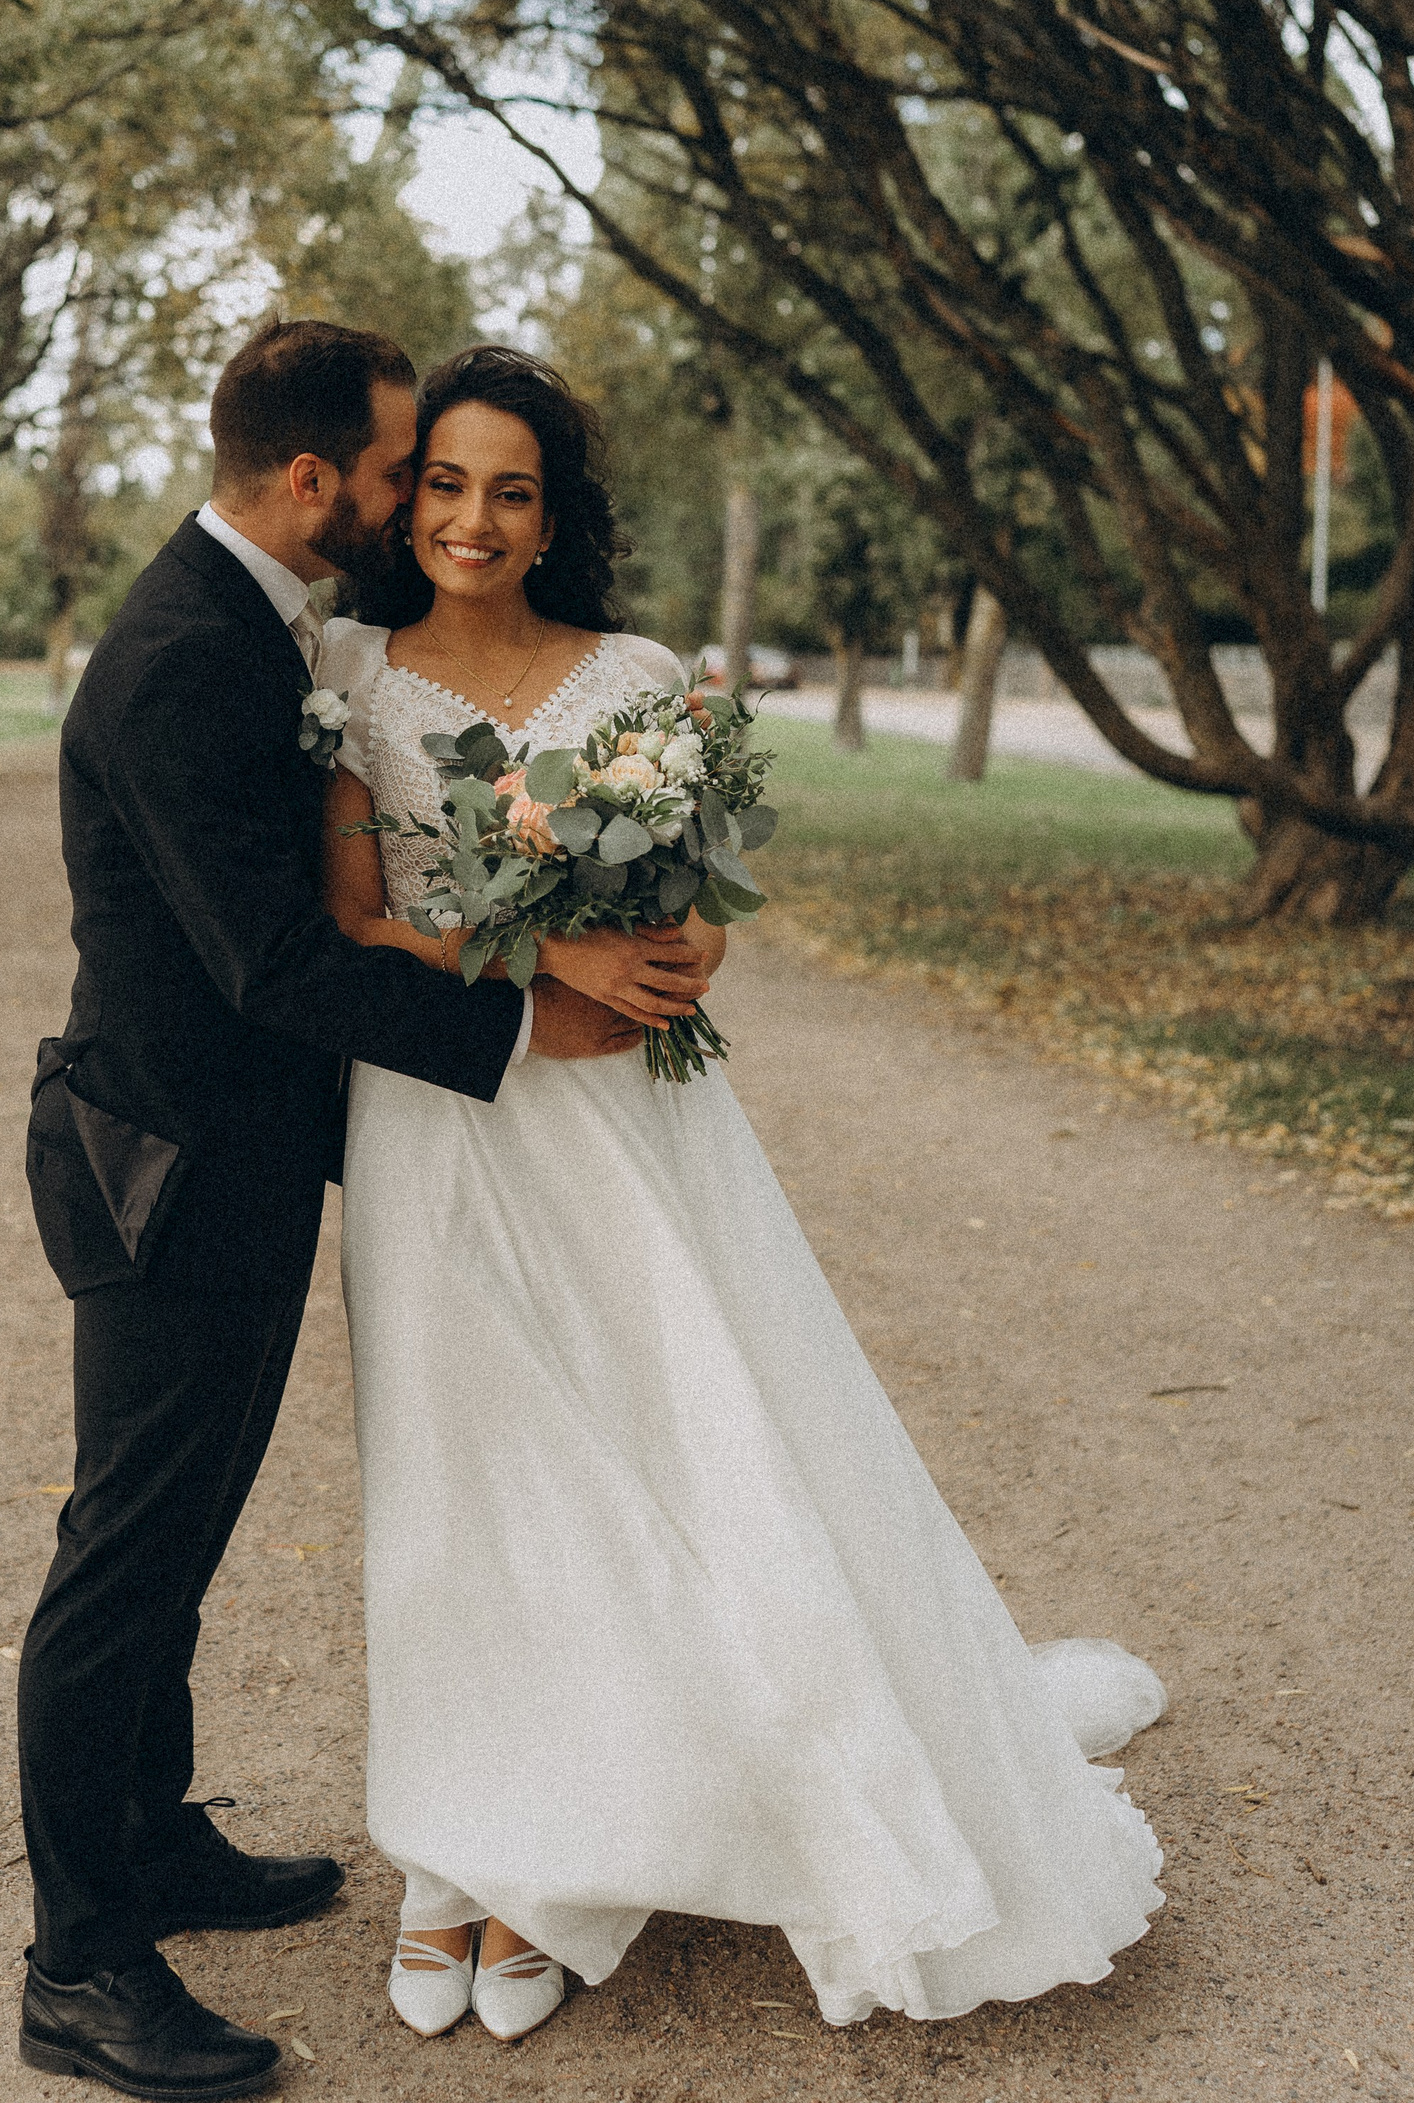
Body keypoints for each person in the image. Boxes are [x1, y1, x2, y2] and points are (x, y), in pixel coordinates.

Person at [320, 344, 1167, 2049]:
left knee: (670, 1445)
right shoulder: (349, 670)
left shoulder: (636, 674)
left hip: (628, 1124)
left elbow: (694, 903)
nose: (474, 519)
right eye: (446, 483)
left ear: (554, 515)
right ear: (404, 500)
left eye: (511, 492)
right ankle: (459, 1846)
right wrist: (536, 955)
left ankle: (563, 1870)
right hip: (440, 1121)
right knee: (467, 1482)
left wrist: (681, 940)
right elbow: (348, 921)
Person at [14, 318, 711, 2100]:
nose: (417, 506)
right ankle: (81, 1962)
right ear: (317, 478)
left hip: (236, 1161)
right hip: (165, 1170)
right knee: (124, 1557)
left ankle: (155, 1836)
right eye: (405, 472)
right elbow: (270, 959)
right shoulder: (186, 655)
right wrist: (525, 1015)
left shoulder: (259, 622)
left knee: (178, 1539)